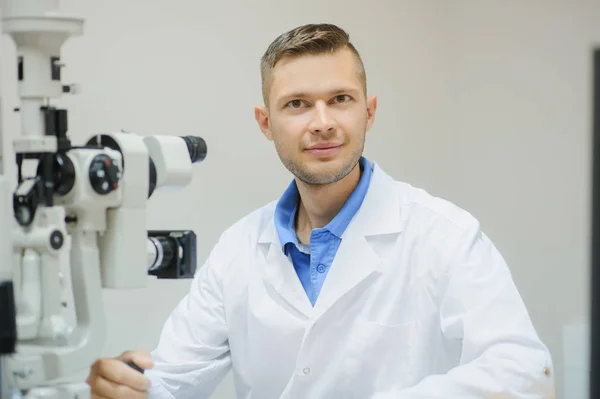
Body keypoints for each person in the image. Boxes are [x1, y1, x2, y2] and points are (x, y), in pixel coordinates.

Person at [86, 23, 556, 399]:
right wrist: (132, 385)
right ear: (265, 123)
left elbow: (525, 375)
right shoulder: (238, 250)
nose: (323, 122)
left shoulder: (443, 235)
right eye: (297, 104)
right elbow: (172, 379)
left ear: (368, 112)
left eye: (340, 99)